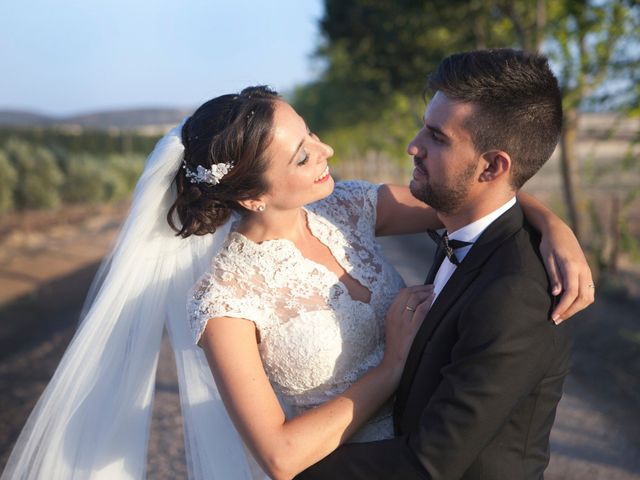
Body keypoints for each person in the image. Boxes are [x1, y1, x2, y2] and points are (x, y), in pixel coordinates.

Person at [1, 82, 592, 480]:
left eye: (311, 136)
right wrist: (391, 365)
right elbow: (280, 456)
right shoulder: (223, 301)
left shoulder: (351, 206)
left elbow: (471, 200)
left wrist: (553, 226)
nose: (326, 151)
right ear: (254, 195)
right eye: (303, 157)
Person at [296, 49, 589, 480]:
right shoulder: (467, 227)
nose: (414, 145)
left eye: (437, 137)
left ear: (491, 166)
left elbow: (427, 463)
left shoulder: (517, 291)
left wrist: (286, 465)